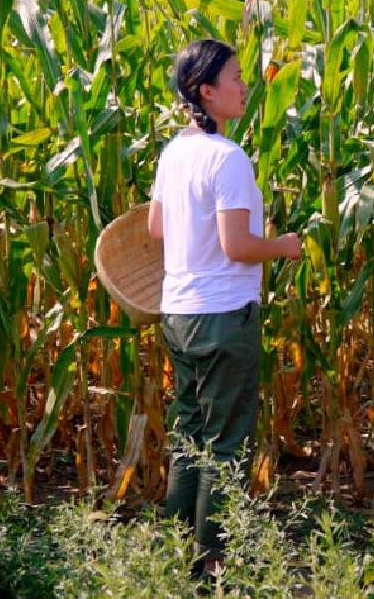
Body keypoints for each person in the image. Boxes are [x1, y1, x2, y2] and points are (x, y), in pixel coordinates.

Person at [148, 38, 303, 576]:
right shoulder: (227, 158)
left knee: (189, 437)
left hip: (179, 315)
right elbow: (237, 246)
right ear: (206, 91)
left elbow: (156, 227)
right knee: (226, 446)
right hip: (224, 316)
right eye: (235, 77)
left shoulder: (175, 152)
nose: (244, 86)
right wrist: (283, 246)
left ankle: (176, 559)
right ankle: (215, 566)